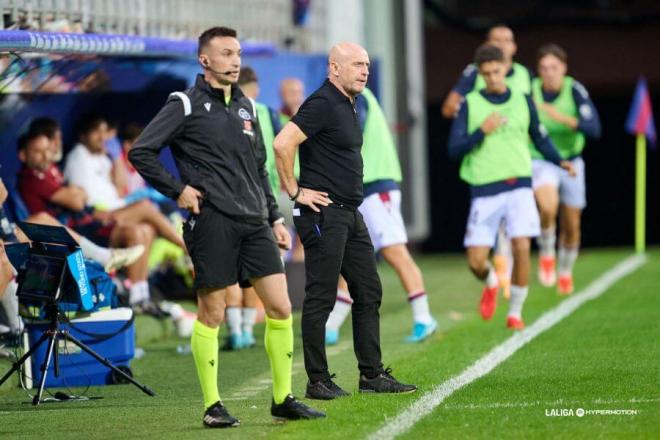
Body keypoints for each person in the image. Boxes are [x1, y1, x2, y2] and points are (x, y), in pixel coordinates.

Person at [128, 26, 324, 427]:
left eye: (237, 53)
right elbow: (141, 151)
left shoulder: (247, 107)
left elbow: (258, 169)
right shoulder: (183, 103)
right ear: (205, 60)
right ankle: (213, 406)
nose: (235, 60)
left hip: (255, 222)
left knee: (281, 307)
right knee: (212, 313)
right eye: (226, 53)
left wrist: (274, 218)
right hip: (212, 223)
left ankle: (283, 397)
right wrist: (178, 189)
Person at [274, 42, 417, 400]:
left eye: (366, 64)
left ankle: (371, 375)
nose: (364, 70)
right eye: (356, 64)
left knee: (368, 290)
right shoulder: (323, 102)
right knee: (320, 296)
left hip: (349, 212)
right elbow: (282, 143)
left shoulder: (349, 103)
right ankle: (317, 380)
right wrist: (295, 192)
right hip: (323, 213)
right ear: (334, 68)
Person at [448, 44, 576, 330]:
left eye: (496, 71)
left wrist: (560, 161)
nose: (492, 78)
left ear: (505, 68)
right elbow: (454, 149)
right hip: (484, 189)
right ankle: (492, 280)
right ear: (480, 75)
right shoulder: (470, 103)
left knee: (520, 245)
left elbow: (540, 138)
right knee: (476, 262)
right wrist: (482, 131)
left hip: (519, 184)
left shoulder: (522, 99)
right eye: (486, 74)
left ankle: (515, 312)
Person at [324, 86, 437, 345]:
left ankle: (424, 318)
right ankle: (331, 325)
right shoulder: (351, 99)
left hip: (376, 187)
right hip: (360, 188)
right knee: (350, 256)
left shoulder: (358, 99)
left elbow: (353, 131)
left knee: (394, 251)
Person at [16, 130, 163, 306]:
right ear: (23, 155)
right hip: (69, 232)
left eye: (47, 149)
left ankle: (140, 295)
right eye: (38, 151)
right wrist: (75, 195)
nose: (46, 155)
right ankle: (184, 250)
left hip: (79, 225)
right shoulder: (32, 178)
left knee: (145, 227)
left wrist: (76, 195)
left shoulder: (50, 171)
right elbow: (77, 201)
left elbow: (81, 195)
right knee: (139, 222)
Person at [442, 24, 533, 297]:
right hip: (487, 165)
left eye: (508, 40)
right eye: (497, 40)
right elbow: (449, 108)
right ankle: (499, 268)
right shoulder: (474, 74)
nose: (503, 45)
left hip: (520, 160)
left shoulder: (526, 76)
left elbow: (533, 116)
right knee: (484, 250)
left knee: (529, 226)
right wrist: (475, 122)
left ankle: (540, 255)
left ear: (514, 48)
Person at [531, 44, 601, 293]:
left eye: (554, 67)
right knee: (548, 206)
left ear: (564, 68)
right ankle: (547, 251)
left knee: (572, 225)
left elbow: (594, 129)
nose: (549, 73)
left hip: (572, 162)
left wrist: (557, 116)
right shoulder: (531, 92)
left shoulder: (574, 90)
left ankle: (565, 269)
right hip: (541, 159)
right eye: (543, 68)